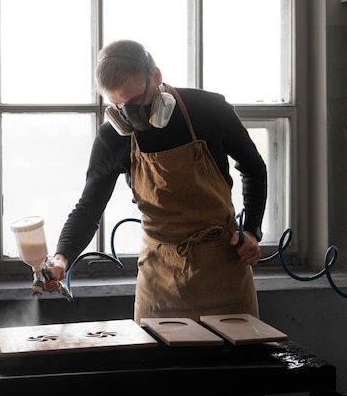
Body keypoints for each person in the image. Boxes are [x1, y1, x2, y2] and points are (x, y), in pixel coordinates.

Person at [43, 39, 267, 322]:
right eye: (119, 105)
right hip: (160, 278)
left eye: (136, 101)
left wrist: (252, 231)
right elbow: (89, 207)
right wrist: (61, 258)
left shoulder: (209, 110)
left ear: (156, 76)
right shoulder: (113, 138)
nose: (130, 115)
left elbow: (253, 167)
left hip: (223, 268)